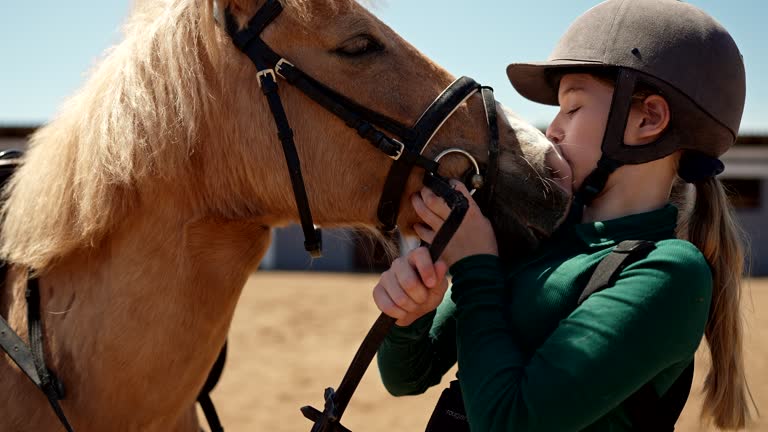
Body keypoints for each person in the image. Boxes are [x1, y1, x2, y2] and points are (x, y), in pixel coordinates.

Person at [373, 0, 754, 430]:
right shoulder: (537, 238)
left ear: (648, 119)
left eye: (572, 107)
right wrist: (412, 314)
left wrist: (475, 267)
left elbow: (509, 423)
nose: (552, 128)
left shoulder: (668, 272)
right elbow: (406, 376)